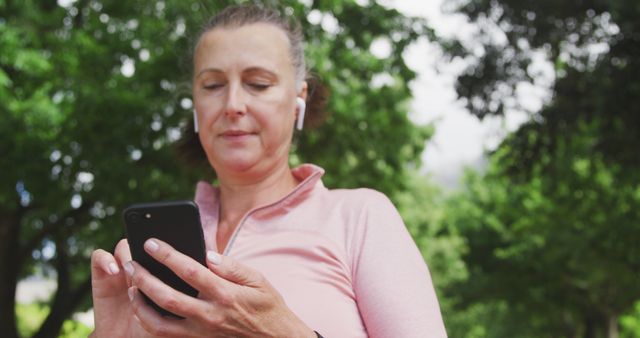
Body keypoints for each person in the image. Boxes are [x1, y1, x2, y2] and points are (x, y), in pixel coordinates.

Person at [90, 5, 447, 337]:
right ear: (195, 106)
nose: (232, 105)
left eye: (258, 84)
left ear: (298, 101)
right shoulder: (159, 248)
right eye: (213, 86)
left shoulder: (360, 217)